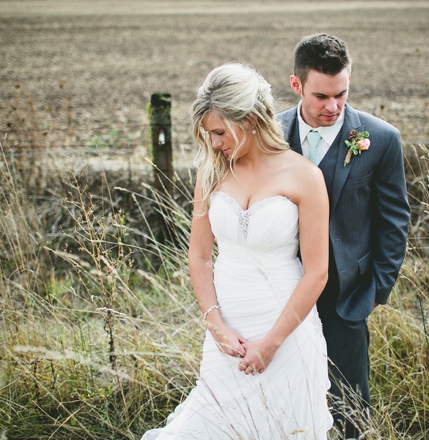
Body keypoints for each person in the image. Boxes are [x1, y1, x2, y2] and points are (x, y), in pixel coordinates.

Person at [141, 62, 333, 439]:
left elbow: (317, 271)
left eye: (218, 132)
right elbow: (198, 257)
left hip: (286, 330)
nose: (214, 143)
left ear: (249, 118)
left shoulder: (305, 177)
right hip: (227, 330)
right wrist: (217, 326)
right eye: (207, 134)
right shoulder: (211, 174)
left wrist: (272, 343)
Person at [278, 33, 410, 439]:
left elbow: (395, 222)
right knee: (286, 394)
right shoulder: (269, 134)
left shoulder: (382, 139)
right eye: (321, 96)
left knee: (351, 404)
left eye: (342, 94)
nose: (333, 107)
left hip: (347, 297)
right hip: (279, 292)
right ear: (296, 84)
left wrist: (372, 293)